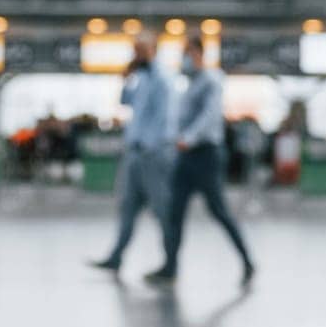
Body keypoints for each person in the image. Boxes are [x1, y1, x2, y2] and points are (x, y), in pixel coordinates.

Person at [146, 35, 255, 286]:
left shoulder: (211, 80)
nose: (184, 59)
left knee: (219, 211)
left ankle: (247, 260)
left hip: (206, 155)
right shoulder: (189, 85)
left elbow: (210, 115)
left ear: (198, 52)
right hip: (185, 157)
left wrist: (189, 138)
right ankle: (170, 266)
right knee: (174, 213)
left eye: (187, 52)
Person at [89, 35, 175, 274]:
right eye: (135, 50)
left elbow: (164, 119)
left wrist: (151, 147)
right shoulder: (142, 79)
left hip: (153, 155)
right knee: (127, 206)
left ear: (154, 50)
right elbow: (124, 102)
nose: (137, 55)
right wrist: (126, 79)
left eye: (141, 50)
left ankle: (170, 262)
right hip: (135, 154)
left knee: (161, 209)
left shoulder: (164, 79)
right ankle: (116, 256)